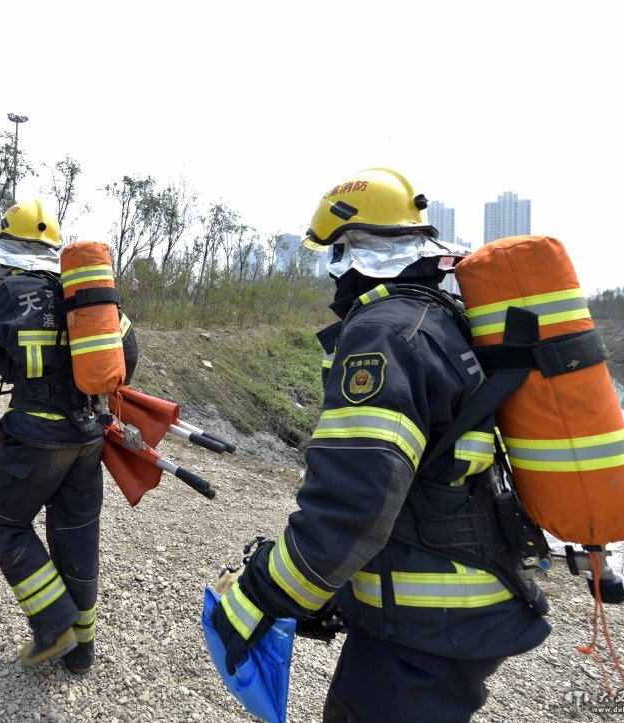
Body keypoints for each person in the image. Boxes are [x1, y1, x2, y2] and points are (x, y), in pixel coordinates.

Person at [210, 168, 551, 722]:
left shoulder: (384, 334)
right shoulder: (435, 319)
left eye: (333, 257)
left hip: (427, 624)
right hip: (447, 611)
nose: (331, 277)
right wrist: (333, 594)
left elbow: (354, 502)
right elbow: (414, 478)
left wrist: (261, 595)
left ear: (350, 252)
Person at [0, 199, 139, 674]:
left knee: (5, 524)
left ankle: (54, 624)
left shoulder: (6, 289)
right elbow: (129, 354)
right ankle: (81, 651)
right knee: (76, 535)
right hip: (89, 435)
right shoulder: (87, 295)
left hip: (35, 435)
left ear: (6, 244)